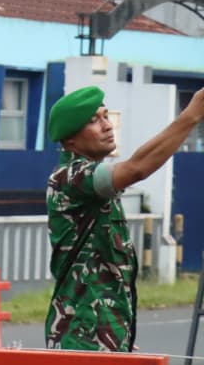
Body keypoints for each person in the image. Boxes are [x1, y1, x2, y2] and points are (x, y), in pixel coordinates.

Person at [46, 85, 204, 351]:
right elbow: (136, 168)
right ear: (70, 139)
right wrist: (192, 115)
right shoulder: (71, 177)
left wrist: (119, 335)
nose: (107, 126)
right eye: (94, 121)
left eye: (106, 116)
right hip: (82, 336)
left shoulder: (93, 180)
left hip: (104, 332)